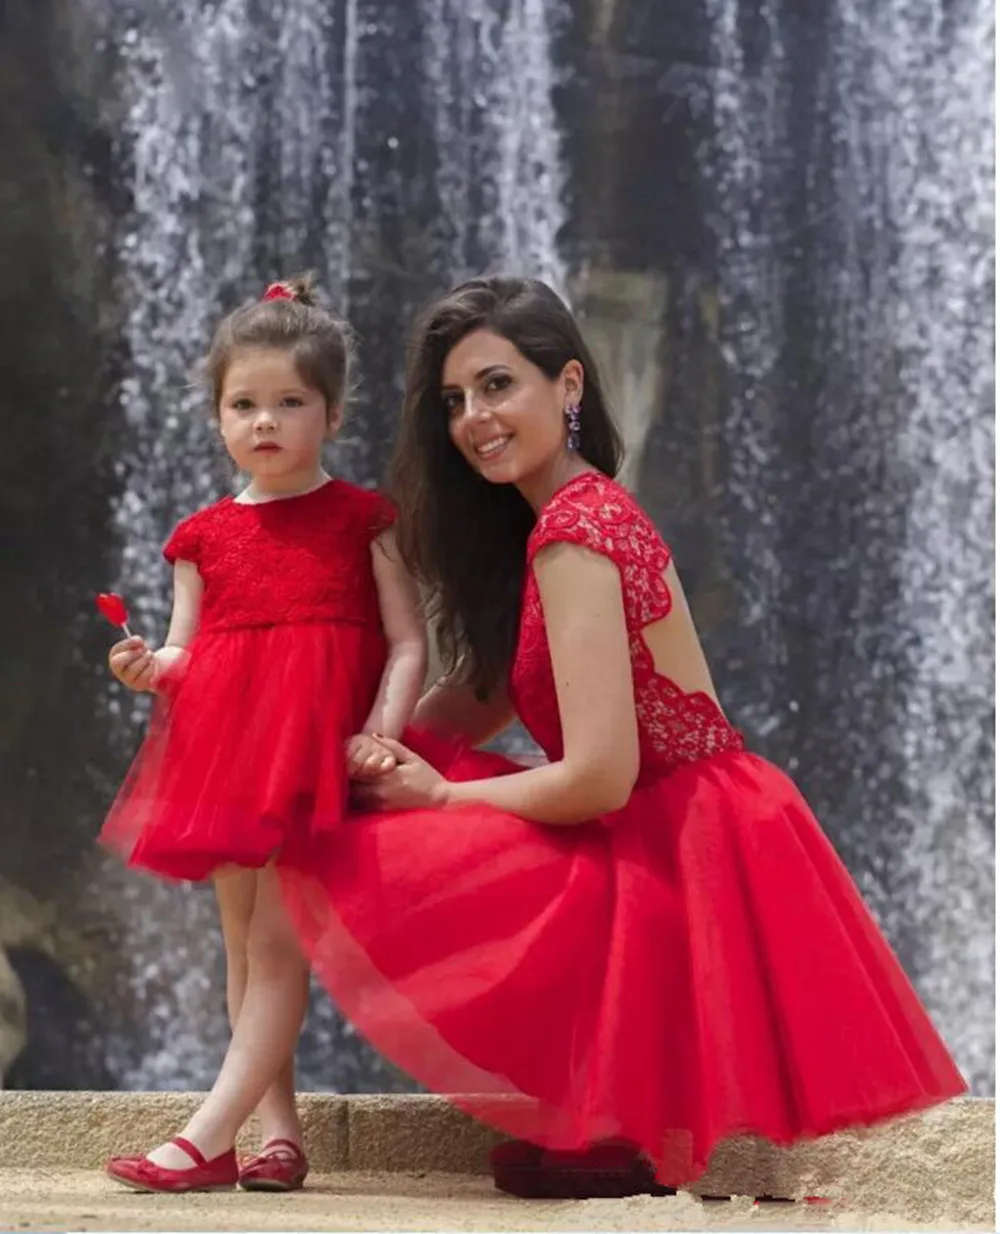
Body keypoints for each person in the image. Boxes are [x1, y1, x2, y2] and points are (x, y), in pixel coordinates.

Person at [281, 274, 967, 1199]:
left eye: (497, 384)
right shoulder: (554, 521)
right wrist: (340, 747)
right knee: (386, 789)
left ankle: (613, 1123)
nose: (474, 418)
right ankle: (599, 1119)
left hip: (684, 835)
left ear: (568, 385)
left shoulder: (577, 532)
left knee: (432, 813)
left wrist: (437, 796)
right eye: (454, 400)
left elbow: (601, 777)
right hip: (660, 820)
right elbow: (476, 700)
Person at [99, 274, 427, 1194]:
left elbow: (409, 643)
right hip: (228, 757)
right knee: (243, 948)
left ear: (332, 413)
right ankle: (274, 1135)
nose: (265, 422)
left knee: (281, 946)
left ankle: (205, 1137)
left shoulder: (365, 518)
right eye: (243, 405)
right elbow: (186, 652)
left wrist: (380, 733)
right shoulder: (200, 537)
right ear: (217, 417)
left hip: (316, 759)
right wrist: (147, 667)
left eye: (290, 402)